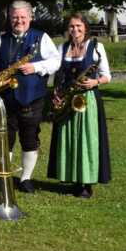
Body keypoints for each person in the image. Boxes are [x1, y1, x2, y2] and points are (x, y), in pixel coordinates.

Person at [0, 0, 61, 194]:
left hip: (31, 97)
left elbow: (55, 61)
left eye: (22, 17)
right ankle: (5, 175)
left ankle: (26, 178)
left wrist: (35, 67)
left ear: (30, 17)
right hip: (5, 97)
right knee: (5, 138)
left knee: (29, 138)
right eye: (14, 17)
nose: (18, 21)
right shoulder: (1, 39)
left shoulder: (41, 37)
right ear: (9, 18)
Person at [47, 12, 112, 198]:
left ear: (85, 27)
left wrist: (94, 82)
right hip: (68, 99)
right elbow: (57, 75)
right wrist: (57, 94)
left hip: (88, 100)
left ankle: (87, 182)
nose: (75, 30)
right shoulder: (63, 48)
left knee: (87, 140)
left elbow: (107, 75)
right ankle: (73, 179)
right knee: (69, 139)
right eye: (71, 26)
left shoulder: (96, 46)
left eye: (78, 26)